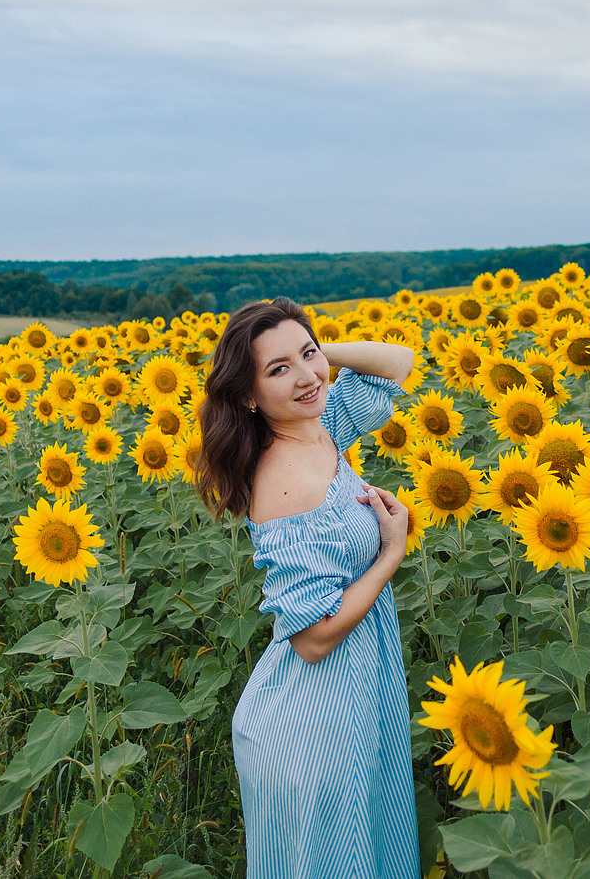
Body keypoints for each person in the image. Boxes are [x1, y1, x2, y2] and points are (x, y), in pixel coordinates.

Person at [195, 298, 420, 879]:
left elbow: (398, 361)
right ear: (248, 395)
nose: (306, 378)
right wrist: (390, 552)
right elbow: (313, 638)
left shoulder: (319, 431)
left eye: (308, 356)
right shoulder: (287, 482)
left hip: (354, 700)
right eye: (277, 370)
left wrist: (314, 354)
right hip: (317, 725)